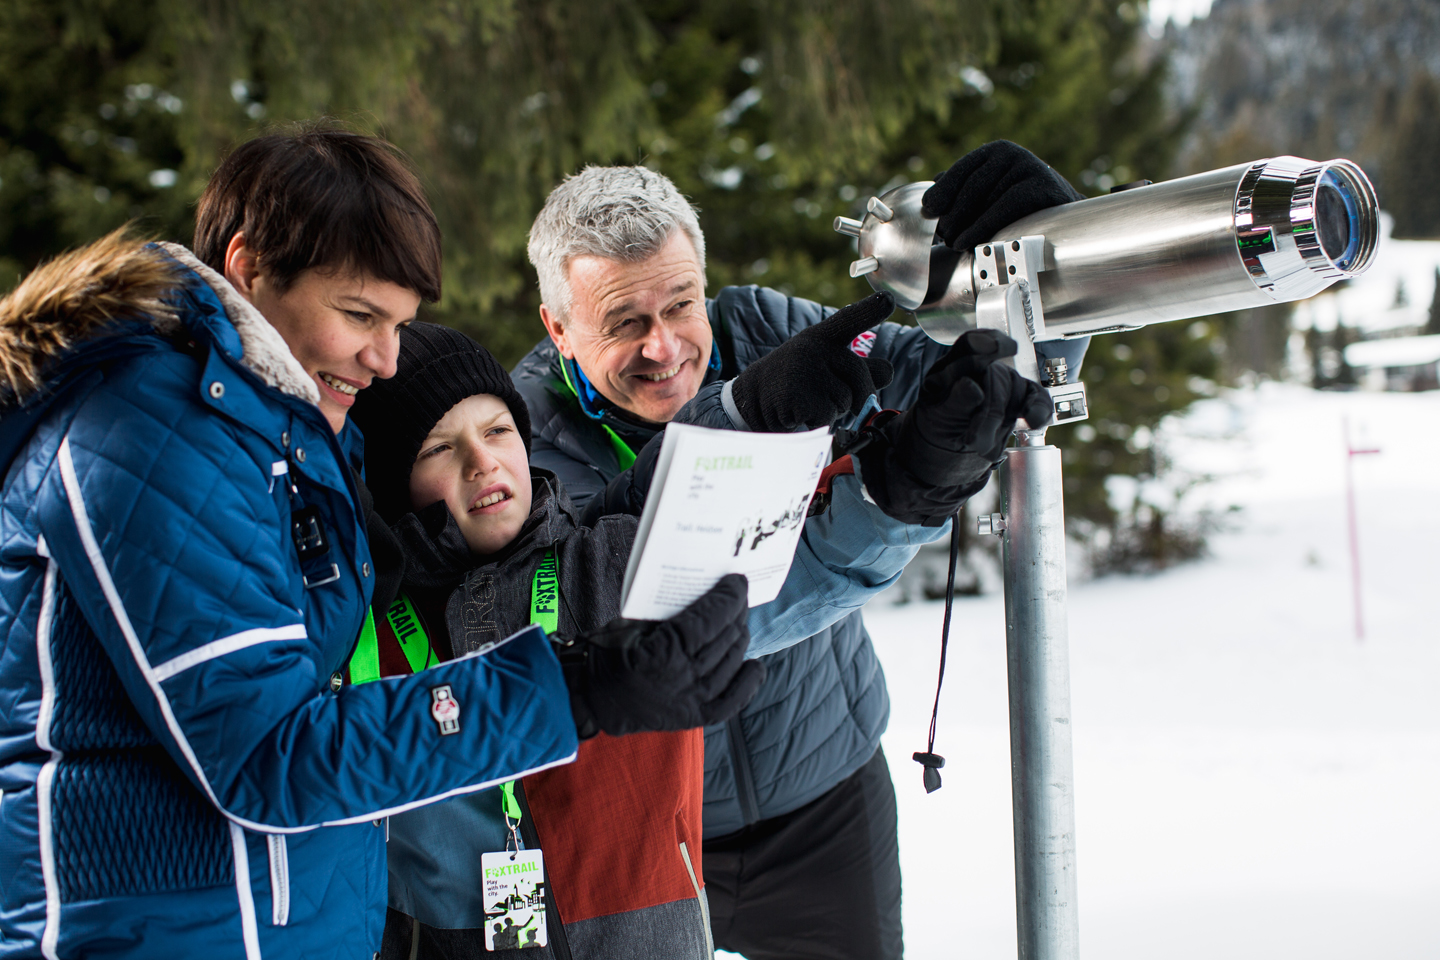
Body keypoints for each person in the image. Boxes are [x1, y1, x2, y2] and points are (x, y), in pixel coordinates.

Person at [0, 127, 758, 960]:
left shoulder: (272, 433)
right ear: (250, 269)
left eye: (400, 322)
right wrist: (577, 689)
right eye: (360, 315)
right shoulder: (154, 437)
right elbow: (269, 754)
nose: (386, 358)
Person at [513, 141, 1082, 959]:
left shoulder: (756, 328)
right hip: (649, 831)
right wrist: (894, 495)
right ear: (558, 327)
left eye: (680, 304)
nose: (666, 347)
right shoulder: (521, 448)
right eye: (625, 323)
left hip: (825, 793)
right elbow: (686, 623)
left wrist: (1041, 282)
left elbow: (983, 386)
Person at [351, 304, 995, 957]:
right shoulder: (358, 632)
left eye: (496, 430)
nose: (481, 461)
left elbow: (787, 568)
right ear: (387, 483)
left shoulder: (599, 569)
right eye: (438, 447)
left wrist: (907, 485)